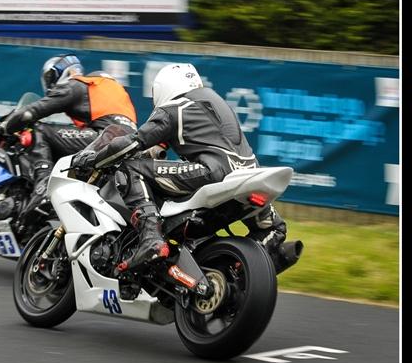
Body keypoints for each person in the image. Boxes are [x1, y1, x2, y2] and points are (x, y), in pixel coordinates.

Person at [73, 63, 290, 274]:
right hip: (248, 173)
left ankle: (151, 238)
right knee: (274, 228)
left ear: (163, 88)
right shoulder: (215, 104)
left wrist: (94, 159)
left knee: (130, 168)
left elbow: (133, 142)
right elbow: (159, 147)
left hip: (213, 173)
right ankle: (237, 271)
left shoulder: (173, 108)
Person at [0, 54, 138, 219]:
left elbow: (31, 113)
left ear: (60, 73)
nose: (49, 83)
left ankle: (43, 189)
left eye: (49, 77)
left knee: (40, 130)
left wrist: (4, 127)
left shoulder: (75, 85)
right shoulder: (100, 86)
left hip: (104, 136)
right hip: (127, 141)